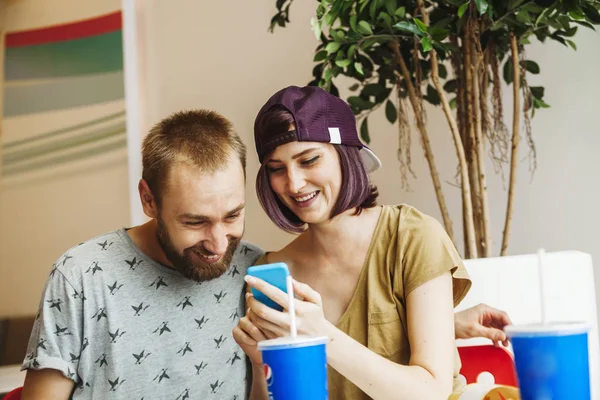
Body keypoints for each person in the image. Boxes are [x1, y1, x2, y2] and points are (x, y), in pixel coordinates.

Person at [233, 85, 488, 400]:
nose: (294, 183)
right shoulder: (272, 273)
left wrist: (321, 335)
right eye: (277, 169)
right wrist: (261, 365)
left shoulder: (412, 237)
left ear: (345, 154)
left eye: (309, 160)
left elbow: (431, 392)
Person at [20, 110, 263, 399]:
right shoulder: (80, 277)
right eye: (195, 222)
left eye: (232, 215)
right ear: (149, 200)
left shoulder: (255, 271)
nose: (219, 245)